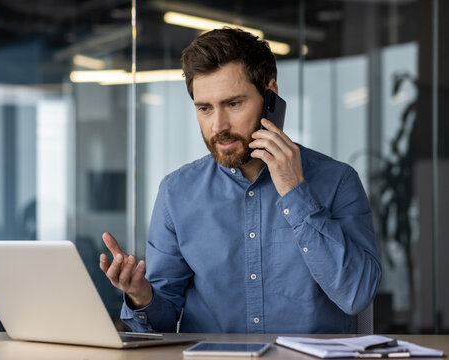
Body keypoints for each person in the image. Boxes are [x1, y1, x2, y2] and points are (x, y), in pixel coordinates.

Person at [99, 28, 381, 334]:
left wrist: (294, 191)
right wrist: (141, 297)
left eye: (234, 104)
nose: (218, 126)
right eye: (204, 108)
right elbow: (163, 323)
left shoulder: (337, 181)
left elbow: (356, 295)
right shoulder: (176, 192)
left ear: (270, 93)